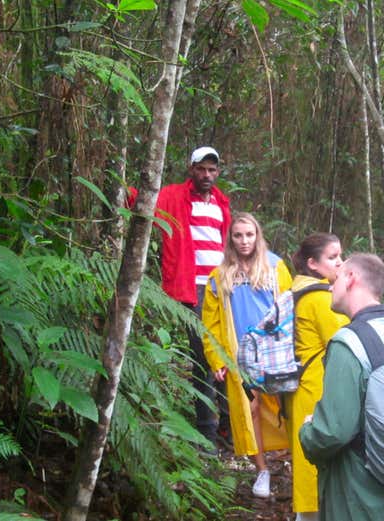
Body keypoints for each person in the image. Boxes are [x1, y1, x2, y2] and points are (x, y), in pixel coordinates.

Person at [299, 253, 384, 521]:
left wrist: (307, 431)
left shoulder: (348, 343)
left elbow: (333, 432)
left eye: (336, 280)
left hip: (363, 490)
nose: (330, 287)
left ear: (351, 278)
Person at [129, 146, 231, 448]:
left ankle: (228, 429)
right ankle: (206, 433)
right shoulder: (174, 197)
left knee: (227, 356)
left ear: (217, 172)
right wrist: (121, 189)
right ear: (191, 169)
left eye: (212, 170)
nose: (207, 175)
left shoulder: (221, 203)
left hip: (222, 289)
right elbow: (141, 201)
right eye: (201, 169)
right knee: (204, 358)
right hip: (193, 290)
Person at [201, 212, 292, 498]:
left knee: (286, 406)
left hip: (274, 351)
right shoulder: (220, 275)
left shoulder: (275, 267)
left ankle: (297, 460)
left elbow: (290, 308)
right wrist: (217, 359)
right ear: (230, 238)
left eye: (249, 235)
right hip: (240, 355)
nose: (244, 241)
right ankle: (262, 470)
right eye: (238, 235)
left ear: (257, 236)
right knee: (249, 411)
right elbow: (211, 323)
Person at [285, 233, 349, 521]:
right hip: (316, 387)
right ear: (312, 263)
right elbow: (345, 339)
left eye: (340, 256)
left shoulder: (298, 289)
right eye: (333, 257)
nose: (340, 262)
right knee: (315, 467)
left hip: (302, 387)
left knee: (306, 465)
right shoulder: (319, 298)